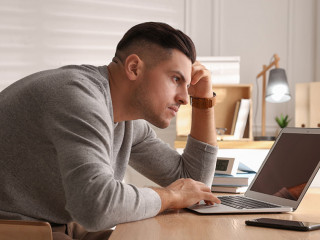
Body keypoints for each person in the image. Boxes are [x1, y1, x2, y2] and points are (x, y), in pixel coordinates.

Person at [0, 22, 220, 239]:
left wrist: (203, 101)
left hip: (58, 225)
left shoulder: (126, 120)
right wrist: (170, 196)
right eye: (176, 79)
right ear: (134, 67)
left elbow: (195, 185)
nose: (184, 97)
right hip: (15, 230)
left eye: (187, 85)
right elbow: (96, 206)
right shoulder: (78, 99)